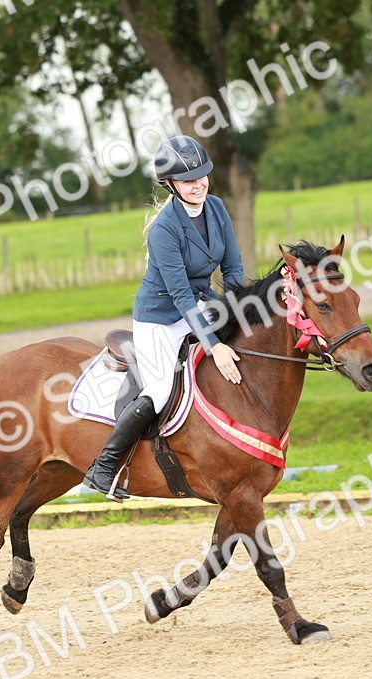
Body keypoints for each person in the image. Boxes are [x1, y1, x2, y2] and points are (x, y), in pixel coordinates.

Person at [83, 134, 245, 500]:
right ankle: (104, 467)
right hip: (160, 316)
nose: (198, 184)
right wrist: (215, 345)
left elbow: (233, 268)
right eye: (188, 180)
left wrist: (236, 314)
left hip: (201, 303)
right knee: (158, 389)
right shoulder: (164, 228)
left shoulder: (217, 207)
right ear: (170, 185)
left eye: (202, 175)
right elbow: (180, 295)